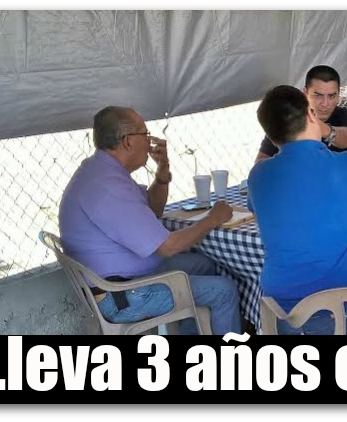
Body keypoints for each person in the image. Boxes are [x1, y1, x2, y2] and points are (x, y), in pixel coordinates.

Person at [59, 106, 242, 335]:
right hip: (122, 295)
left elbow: (153, 209)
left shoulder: (102, 170)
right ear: (127, 141)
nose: (150, 142)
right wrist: (212, 219)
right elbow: (168, 247)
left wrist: (162, 172)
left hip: (123, 280)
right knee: (224, 290)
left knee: (204, 264)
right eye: (145, 134)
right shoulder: (108, 187)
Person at [248, 85, 347, 334]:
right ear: (311, 114)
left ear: (271, 136)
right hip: (338, 303)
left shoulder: (258, 175)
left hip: (278, 307)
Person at [254, 65, 347, 163]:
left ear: (339, 96)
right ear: (305, 93)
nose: (325, 103)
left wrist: (321, 128)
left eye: (331, 96)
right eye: (318, 95)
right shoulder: (288, 119)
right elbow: (261, 161)